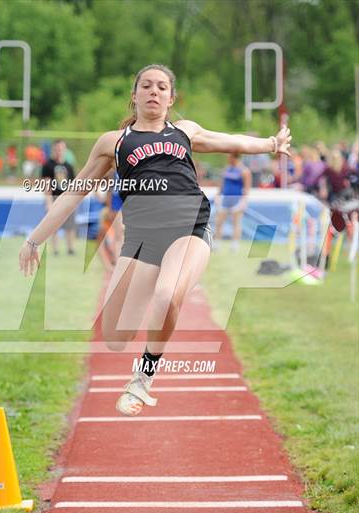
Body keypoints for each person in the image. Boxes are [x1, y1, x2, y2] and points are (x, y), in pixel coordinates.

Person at [19, 64, 291, 416]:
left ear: (171, 98)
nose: (153, 91)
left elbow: (232, 140)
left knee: (167, 295)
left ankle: (144, 376)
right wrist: (34, 240)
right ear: (133, 96)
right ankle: (144, 342)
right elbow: (73, 193)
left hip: (189, 226)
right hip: (143, 238)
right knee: (116, 338)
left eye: (162, 87)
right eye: (146, 86)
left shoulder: (183, 131)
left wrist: (271, 143)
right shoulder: (113, 143)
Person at [42, 139, 77, 256]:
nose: (59, 151)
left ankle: (70, 248)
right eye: (57, 149)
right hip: (55, 197)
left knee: (70, 225)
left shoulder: (69, 166)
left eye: (61, 149)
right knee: (53, 225)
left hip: (67, 198)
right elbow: (46, 185)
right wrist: (48, 202)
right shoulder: (48, 165)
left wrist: (73, 201)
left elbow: (73, 185)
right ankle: (55, 249)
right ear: (53, 149)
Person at [213, 152, 251, 252]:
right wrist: (217, 195)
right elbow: (221, 184)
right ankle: (217, 243)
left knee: (236, 223)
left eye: (229, 157)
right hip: (225, 199)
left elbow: (247, 188)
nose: (228, 159)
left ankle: (235, 245)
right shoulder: (226, 169)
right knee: (219, 222)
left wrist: (244, 201)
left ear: (235, 157)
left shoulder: (244, 171)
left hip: (237, 199)